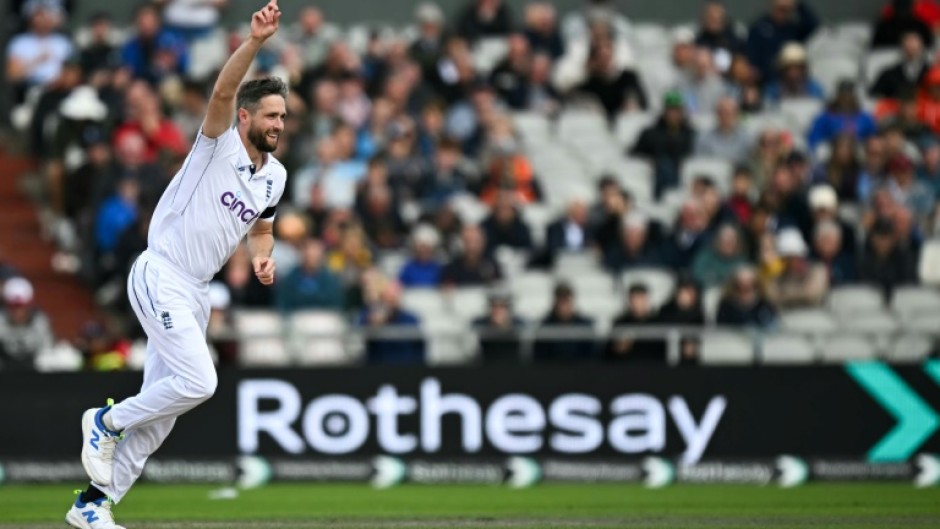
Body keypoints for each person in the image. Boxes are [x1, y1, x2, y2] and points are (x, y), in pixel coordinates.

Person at [66, 4, 286, 528]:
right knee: (200, 383)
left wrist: (262, 257)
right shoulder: (216, 144)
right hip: (161, 271)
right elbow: (220, 93)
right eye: (271, 115)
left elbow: (261, 225)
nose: (279, 123)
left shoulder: (275, 176)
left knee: (161, 415)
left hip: (196, 292)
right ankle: (104, 420)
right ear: (246, 118)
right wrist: (254, 42)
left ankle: (92, 506)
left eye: (283, 116)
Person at [631, 91, 696, 197]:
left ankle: (673, 196)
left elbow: (694, 155)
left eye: (677, 110)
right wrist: (648, 160)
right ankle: (670, 196)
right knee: (664, 164)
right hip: (655, 176)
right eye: (671, 110)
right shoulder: (650, 133)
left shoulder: (691, 134)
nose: (674, 114)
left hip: (682, 174)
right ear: (664, 111)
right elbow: (634, 154)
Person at [746, 0, 819, 84]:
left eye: (785, 10)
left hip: (793, 81)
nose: (782, 13)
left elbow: (814, 26)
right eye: (779, 9)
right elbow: (751, 56)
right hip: (767, 81)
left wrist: (797, 4)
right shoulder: (759, 27)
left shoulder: (794, 29)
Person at [355, 279, 424, 364]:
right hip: (377, 368)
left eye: (394, 298)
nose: (391, 302)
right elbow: (357, 336)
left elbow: (419, 350)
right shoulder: (369, 315)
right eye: (388, 298)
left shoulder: (411, 319)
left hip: (406, 368)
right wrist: (372, 325)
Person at [765, 228, 829, 309]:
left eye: (793, 256)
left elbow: (811, 294)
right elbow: (772, 297)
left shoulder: (817, 269)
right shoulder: (779, 275)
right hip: (787, 317)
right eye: (786, 258)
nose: (790, 261)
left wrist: (785, 293)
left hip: (814, 315)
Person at [275, 238, 344, 312]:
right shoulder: (289, 279)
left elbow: (336, 306)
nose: (312, 256)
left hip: (323, 320)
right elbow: (282, 304)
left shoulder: (331, 281)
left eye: (315, 253)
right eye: (309, 253)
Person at [0, 277, 54, 371]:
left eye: (22, 306)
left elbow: (47, 349)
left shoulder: (40, 322)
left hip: (36, 373)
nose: (18, 311)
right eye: (13, 306)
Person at [533, 283, 595, 362]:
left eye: (566, 301)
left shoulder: (584, 325)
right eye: (561, 302)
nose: (563, 306)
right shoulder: (545, 326)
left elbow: (591, 355)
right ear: (555, 303)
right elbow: (539, 356)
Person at [807, 80, 877, 151]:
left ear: (855, 97)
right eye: (843, 95)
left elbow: (874, 140)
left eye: (849, 95)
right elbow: (814, 140)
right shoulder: (825, 118)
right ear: (837, 96)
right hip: (831, 155)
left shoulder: (865, 119)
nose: (847, 98)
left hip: (860, 155)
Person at [605, 283, 665, 363]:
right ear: (629, 300)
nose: (637, 303)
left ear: (646, 300)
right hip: (627, 368)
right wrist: (618, 349)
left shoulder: (657, 322)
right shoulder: (621, 323)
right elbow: (608, 352)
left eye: (640, 298)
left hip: (653, 368)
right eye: (634, 299)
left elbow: (664, 350)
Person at [869, 31, 929, 100]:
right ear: (902, 47)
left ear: (922, 47)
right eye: (908, 44)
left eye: (914, 44)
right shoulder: (889, 74)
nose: (910, 47)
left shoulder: (931, 71)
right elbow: (875, 94)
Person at [694, 97, 753, 164]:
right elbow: (700, 163)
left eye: (731, 112)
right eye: (723, 112)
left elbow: (749, 162)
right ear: (717, 114)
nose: (727, 116)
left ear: (737, 115)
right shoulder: (704, 138)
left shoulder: (746, 137)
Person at [473, 290, 524, 363]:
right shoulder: (479, 324)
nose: (497, 310)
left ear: (508, 310)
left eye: (502, 307)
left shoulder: (519, 325)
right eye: (494, 306)